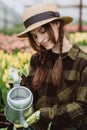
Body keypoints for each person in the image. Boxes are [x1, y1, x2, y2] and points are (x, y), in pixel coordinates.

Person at [16, 2, 87, 130]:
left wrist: (49, 114)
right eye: (35, 36)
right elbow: (31, 96)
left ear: (57, 24)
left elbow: (83, 106)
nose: (40, 40)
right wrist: (17, 85)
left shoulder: (82, 62)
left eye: (43, 31)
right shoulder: (37, 59)